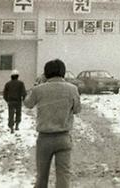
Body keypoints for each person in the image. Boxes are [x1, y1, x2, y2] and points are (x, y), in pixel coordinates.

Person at [24, 59, 81, 188]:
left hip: (44, 138)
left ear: (46, 73)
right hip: (64, 138)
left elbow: (28, 104)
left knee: (42, 176)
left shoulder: (39, 89)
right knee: (63, 176)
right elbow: (77, 110)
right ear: (63, 72)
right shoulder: (73, 89)